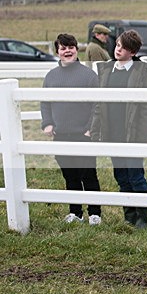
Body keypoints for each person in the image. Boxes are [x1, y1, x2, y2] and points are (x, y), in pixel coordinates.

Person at [91, 30, 147, 229]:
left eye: (124, 48)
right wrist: (96, 131)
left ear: (133, 52)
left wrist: (142, 138)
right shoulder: (105, 70)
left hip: (133, 133)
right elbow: (98, 105)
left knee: (136, 175)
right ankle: (128, 216)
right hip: (112, 132)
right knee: (120, 175)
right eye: (118, 45)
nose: (118, 50)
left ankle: (142, 218)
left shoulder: (142, 73)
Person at [41, 33, 103, 225]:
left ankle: (95, 213)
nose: (67, 51)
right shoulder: (51, 77)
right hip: (61, 134)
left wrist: (89, 129)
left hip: (83, 134)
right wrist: (48, 123)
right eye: (63, 48)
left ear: (77, 49)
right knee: (70, 175)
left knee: (88, 174)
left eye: (71, 47)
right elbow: (45, 103)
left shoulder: (89, 75)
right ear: (58, 51)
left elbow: (97, 105)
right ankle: (76, 212)